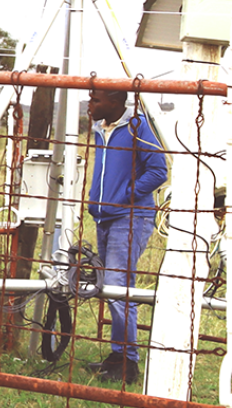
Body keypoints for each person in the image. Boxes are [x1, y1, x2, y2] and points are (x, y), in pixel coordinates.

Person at [83, 88, 166, 384]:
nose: (90, 105)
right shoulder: (100, 129)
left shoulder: (136, 127)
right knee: (113, 286)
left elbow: (158, 170)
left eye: (96, 100)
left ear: (116, 103)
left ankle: (128, 362)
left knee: (119, 285)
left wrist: (128, 195)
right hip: (106, 216)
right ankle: (118, 356)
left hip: (130, 216)